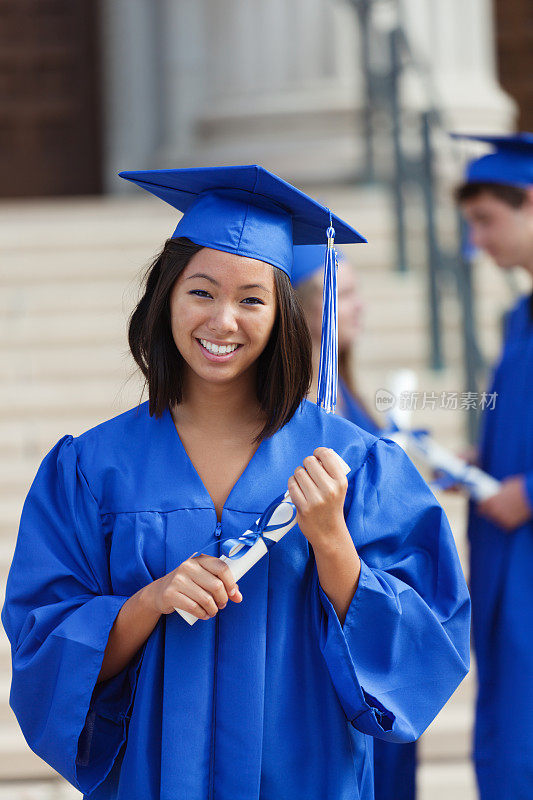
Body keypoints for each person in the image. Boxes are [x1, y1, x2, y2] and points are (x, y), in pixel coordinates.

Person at [2, 165, 470, 800]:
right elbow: (43, 648)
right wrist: (149, 601)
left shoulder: (356, 464)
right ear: (165, 296)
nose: (222, 320)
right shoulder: (91, 469)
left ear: (284, 316)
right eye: (201, 291)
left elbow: (426, 646)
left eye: (252, 299)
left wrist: (331, 540)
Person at [294, 244, 417, 800]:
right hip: (333, 636)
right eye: (342, 295)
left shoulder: (341, 393)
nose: (359, 308)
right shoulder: (300, 411)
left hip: (375, 627)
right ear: (296, 310)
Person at [453, 133, 533, 800]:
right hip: (505, 561)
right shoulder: (519, 318)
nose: (475, 241)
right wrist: (481, 461)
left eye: (486, 221)